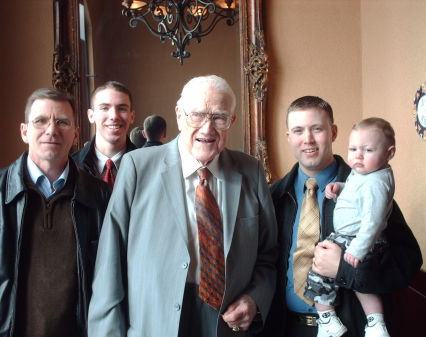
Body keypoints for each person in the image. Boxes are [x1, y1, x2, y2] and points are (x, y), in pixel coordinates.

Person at [88, 75, 278, 337]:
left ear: (231, 121)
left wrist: (255, 298)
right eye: (197, 115)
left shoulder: (251, 171)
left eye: (219, 118)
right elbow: (110, 263)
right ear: (179, 115)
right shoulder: (137, 167)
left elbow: (268, 255)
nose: (207, 129)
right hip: (153, 324)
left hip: (226, 323)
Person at [260, 96, 422, 337]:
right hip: (284, 328)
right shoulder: (272, 197)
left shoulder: (370, 189)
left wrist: (346, 270)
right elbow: (261, 264)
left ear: (333, 132)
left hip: (349, 329)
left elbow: (407, 264)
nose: (308, 139)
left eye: (317, 129)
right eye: (298, 130)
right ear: (289, 138)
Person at [0, 88, 111, 336]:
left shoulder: (101, 196)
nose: (51, 130)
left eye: (62, 122)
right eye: (40, 121)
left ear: (76, 134)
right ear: (24, 132)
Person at [304, 118, 397, 337]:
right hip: (288, 324)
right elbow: (357, 191)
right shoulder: (364, 173)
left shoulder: (376, 183)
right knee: (359, 284)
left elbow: (373, 221)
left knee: (318, 272)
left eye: (368, 149)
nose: (358, 155)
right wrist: (341, 187)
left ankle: (327, 320)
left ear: (389, 153)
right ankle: (375, 324)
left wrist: (356, 250)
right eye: (353, 149)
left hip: (354, 239)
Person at [72, 81, 137, 187]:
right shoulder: (71, 166)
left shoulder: (148, 167)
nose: (114, 116)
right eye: (104, 108)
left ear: (132, 117)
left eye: (122, 109)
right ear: (91, 116)